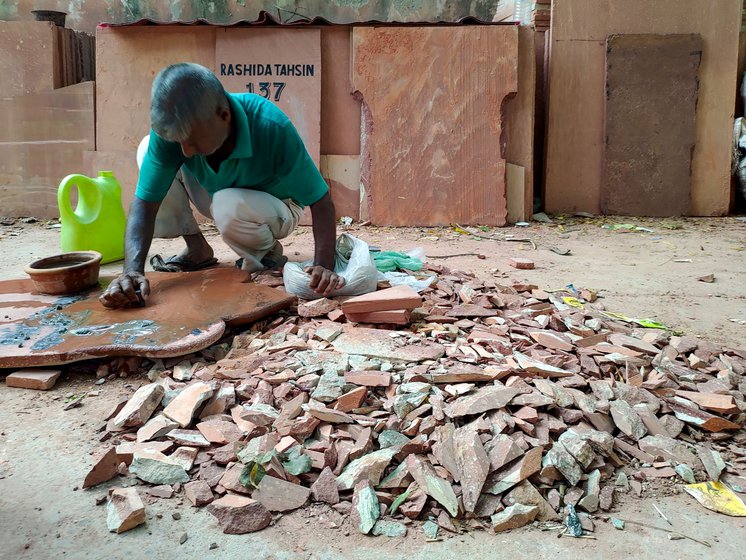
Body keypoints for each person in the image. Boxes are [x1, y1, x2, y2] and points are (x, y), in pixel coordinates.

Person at [100, 62, 344, 308]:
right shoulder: (177, 134)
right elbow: (145, 204)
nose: (185, 150)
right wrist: (131, 272)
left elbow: (320, 201)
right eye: (179, 142)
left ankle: (266, 254)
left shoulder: (270, 126)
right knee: (147, 150)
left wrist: (324, 265)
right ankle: (197, 249)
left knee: (228, 204)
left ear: (223, 115)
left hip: (277, 207)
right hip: (219, 196)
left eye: (192, 140)